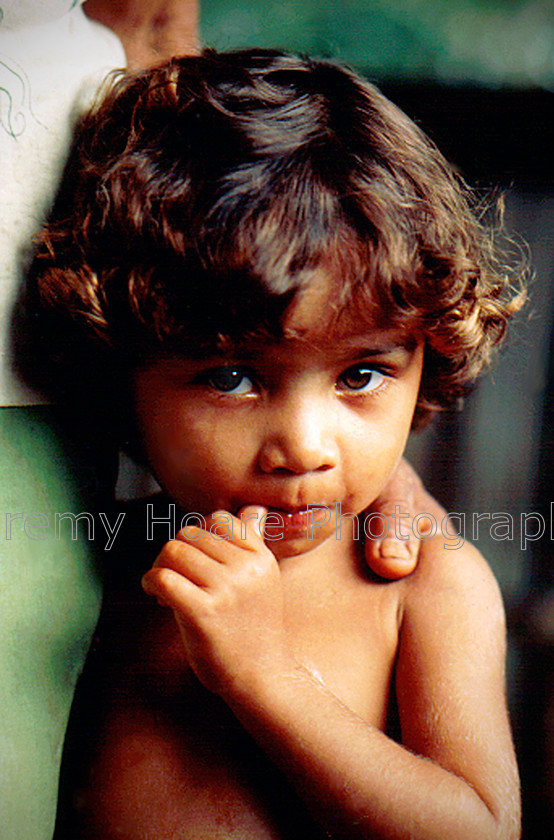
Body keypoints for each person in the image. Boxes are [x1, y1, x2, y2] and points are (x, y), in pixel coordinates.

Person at [27, 49, 522, 839]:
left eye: (360, 375)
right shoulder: (111, 554)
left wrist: (266, 673)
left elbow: (479, 830)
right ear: (121, 372)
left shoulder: (425, 585)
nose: (303, 446)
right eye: (230, 377)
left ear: (429, 354)